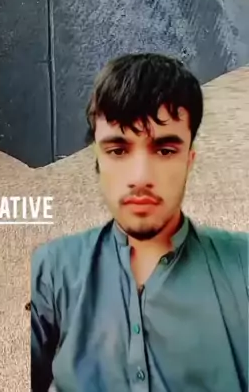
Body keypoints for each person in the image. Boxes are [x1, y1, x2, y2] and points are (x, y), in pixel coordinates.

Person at [30, 53, 248, 392]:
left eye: (164, 150)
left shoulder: (243, 266)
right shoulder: (50, 271)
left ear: (189, 159)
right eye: (118, 150)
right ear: (97, 160)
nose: (141, 177)